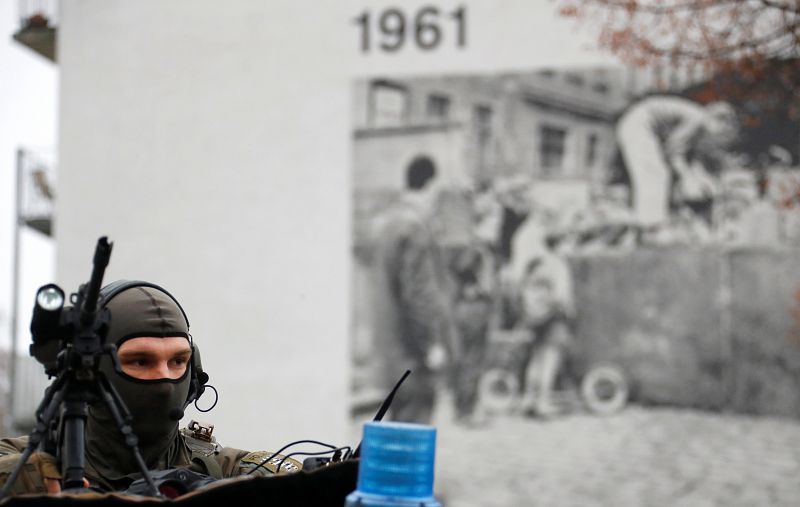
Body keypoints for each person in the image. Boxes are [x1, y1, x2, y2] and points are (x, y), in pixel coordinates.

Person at [0, 281, 301, 495]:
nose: (164, 379)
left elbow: (313, 480)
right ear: (91, 374)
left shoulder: (220, 469)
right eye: (140, 361)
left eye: (178, 361)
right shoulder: (28, 467)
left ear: (193, 372)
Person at [369, 155, 454, 424]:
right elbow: (419, 294)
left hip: (391, 345)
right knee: (413, 427)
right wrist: (432, 344)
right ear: (430, 186)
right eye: (438, 193)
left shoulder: (386, 224)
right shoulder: (415, 229)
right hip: (413, 350)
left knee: (397, 423)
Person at [616, 95, 739, 233]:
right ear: (716, 120)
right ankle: (650, 225)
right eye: (721, 129)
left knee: (658, 172)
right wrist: (689, 178)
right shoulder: (697, 118)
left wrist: (699, 179)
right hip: (639, 125)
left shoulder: (697, 122)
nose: (717, 135)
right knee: (654, 173)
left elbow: (689, 158)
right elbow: (673, 150)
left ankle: (651, 223)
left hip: (640, 125)